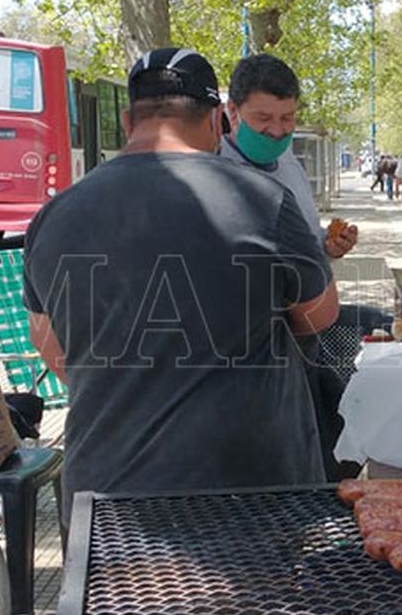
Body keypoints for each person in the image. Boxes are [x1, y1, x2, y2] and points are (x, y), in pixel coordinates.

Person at [22, 47, 339, 520]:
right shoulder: (261, 199)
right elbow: (321, 313)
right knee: (261, 598)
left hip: (106, 501)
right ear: (218, 121)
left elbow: (52, 348)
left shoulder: (53, 217)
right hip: (250, 493)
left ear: (129, 121)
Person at [219, 53, 357, 258]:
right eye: (263, 118)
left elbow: (306, 237)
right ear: (232, 111)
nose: (277, 131)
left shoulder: (289, 162)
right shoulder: (212, 171)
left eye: (287, 118)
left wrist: (327, 246)